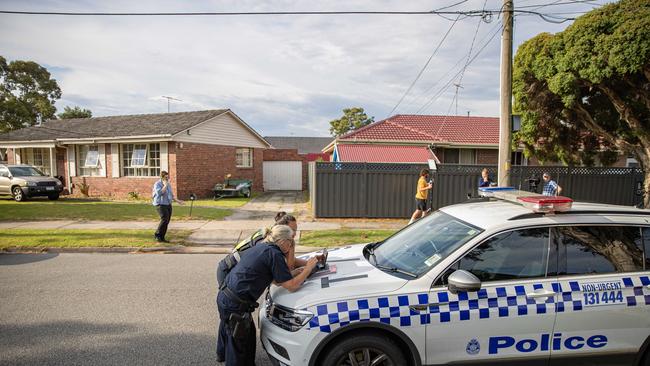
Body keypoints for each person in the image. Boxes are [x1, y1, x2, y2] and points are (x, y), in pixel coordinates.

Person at [216, 225, 318, 365]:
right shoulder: (274, 254)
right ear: (282, 241)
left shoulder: (264, 247)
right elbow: (292, 286)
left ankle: (222, 355)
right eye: (291, 242)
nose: (291, 245)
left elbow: (277, 280)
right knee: (240, 346)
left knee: (241, 336)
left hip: (226, 296)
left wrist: (299, 271)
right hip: (235, 304)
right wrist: (308, 268)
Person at [152, 171, 184, 242]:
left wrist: (178, 201)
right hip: (160, 204)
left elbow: (171, 195)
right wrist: (165, 185)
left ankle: (162, 237)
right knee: (164, 219)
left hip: (168, 204)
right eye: (165, 177)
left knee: (167, 221)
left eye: (167, 177)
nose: (167, 179)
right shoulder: (157, 184)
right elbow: (160, 193)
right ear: (162, 177)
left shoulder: (168, 184)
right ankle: (157, 235)